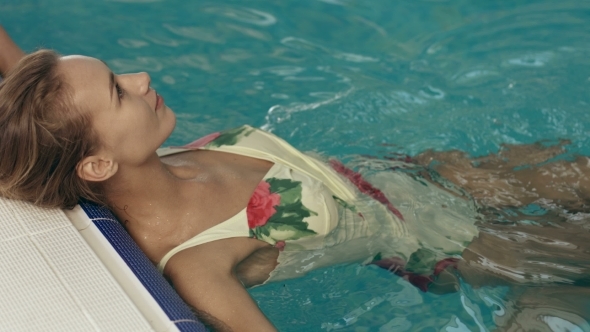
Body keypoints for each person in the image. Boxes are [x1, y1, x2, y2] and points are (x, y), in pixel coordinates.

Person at [1, 27, 589, 331]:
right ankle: (544, 301)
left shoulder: (157, 154)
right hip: (454, 245)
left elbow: (40, 108)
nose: (139, 76)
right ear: (97, 164)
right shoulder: (195, 263)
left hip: (413, 175)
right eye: (117, 89)